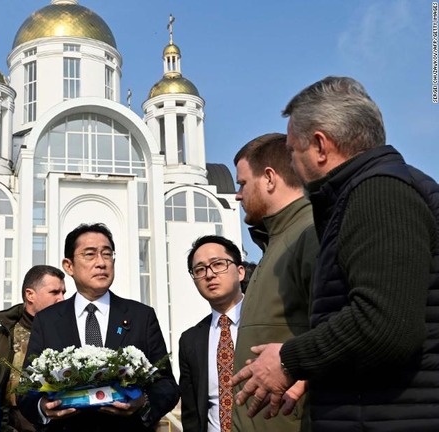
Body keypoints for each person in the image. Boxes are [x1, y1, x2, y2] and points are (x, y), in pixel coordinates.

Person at [231, 76, 439, 431]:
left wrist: (288, 360)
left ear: (320, 146)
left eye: (293, 153)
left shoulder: (379, 192)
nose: (292, 166)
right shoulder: (362, 194)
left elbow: (385, 324)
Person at [19, 223, 178, 432]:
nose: (101, 263)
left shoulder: (141, 316)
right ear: (69, 266)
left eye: (107, 254)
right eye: (90, 254)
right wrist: (42, 407)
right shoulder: (47, 320)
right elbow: (26, 387)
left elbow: (166, 384)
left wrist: (143, 403)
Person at [231, 132, 319, 432]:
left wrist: (302, 376)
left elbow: (341, 328)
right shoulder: (276, 240)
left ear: (269, 178)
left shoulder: (309, 233)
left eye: (242, 183)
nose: (238, 195)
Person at [178, 235, 245, 432]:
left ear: (240, 272)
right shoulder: (190, 340)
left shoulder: (268, 321)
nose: (209, 274)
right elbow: (191, 412)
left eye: (218, 264)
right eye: (200, 269)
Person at [0, 265, 66, 432]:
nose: (61, 299)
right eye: (54, 292)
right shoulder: (0, 337)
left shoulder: (69, 334)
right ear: (30, 295)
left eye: (63, 293)